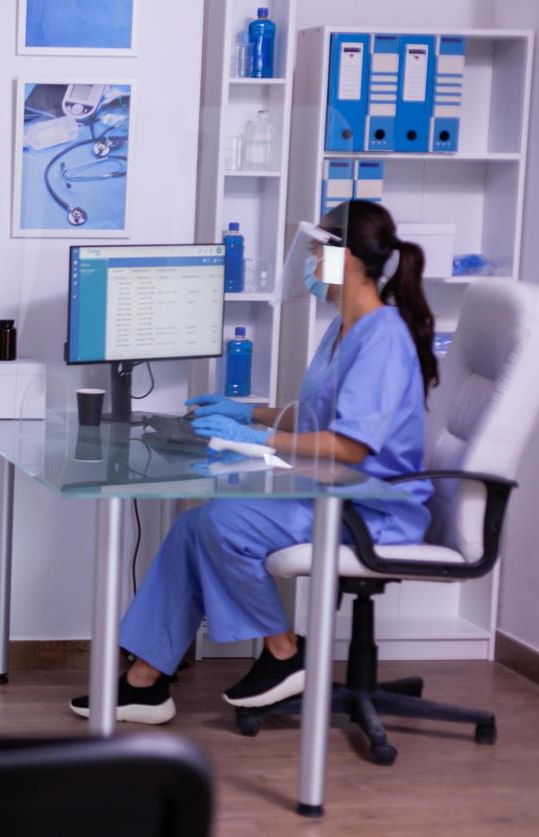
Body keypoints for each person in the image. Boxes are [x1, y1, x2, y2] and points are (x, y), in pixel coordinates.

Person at [71, 200, 438, 724]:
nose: (311, 266)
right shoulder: (342, 331)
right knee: (192, 525)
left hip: (373, 509)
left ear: (345, 258)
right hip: (332, 489)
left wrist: (257, 435)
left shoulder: (383, 337)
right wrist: (248, 410)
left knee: (221, 523)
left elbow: (352, 446)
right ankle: (144, 683)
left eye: (316, 253)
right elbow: (314, 415)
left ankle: (286, 654)